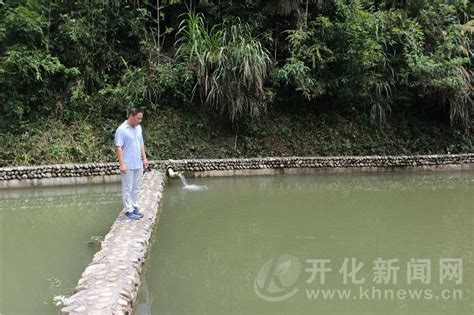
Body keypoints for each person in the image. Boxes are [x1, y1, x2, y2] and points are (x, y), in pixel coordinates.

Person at [114, 108, 149, 220]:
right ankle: (128, 210)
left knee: (136, 187)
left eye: (141, 119)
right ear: (131, 116)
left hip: (138, 163)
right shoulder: (122, 129)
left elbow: (141, 144)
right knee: (127, 188)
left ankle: (134, 207)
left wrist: (144, 158)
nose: (140, 121)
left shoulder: (138, 128)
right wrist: (122, 164)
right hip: (127, 164)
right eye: (138, 118)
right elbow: (118, 148)